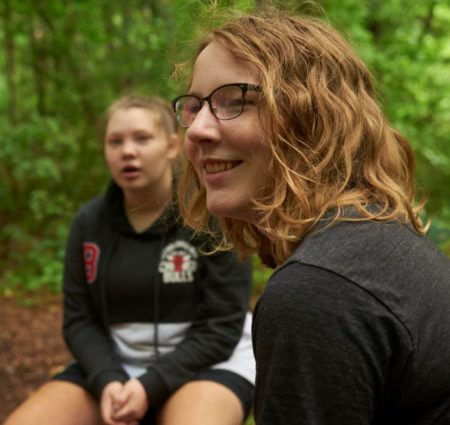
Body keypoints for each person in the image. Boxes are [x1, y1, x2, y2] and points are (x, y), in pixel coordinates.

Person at [172, 8, 450, 425]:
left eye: (235, 102)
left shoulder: (318, 293)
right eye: (194, 106)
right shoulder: (381, 238)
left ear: (314, 119)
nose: (195, 130)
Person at [5, 96, 255, 425]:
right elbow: (79, 320)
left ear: (171, 146)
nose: (127, 151)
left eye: (141, 138)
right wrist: (108, 378)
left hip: (208, 365)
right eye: (115, 141)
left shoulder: (211, 215)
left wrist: (149, 386)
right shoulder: (89, 223)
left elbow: (222, 327)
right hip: (116, 367)